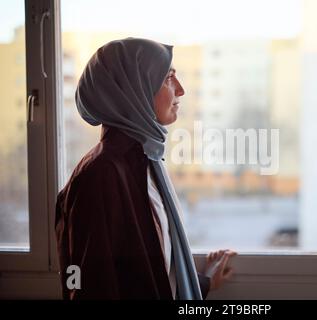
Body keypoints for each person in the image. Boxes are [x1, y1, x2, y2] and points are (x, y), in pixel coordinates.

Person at [55, 38, 237, 300]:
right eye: (168, 79)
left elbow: (144, 266)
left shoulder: (144, 161)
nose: (181, 90)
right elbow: (86, 283)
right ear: (133, 90)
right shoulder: (101, 174)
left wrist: (202, 282)